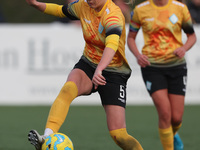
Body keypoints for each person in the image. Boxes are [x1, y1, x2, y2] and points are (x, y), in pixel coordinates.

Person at [26, 0, 143, 150]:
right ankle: (47, 137)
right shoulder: (83, 5)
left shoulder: (113, 14)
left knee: (119, 135)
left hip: (114, 73)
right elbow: (59, 10)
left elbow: (112, 45)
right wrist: (36, 4)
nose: (90, 0)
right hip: (88, 64)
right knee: (68, 89)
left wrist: (100, 69)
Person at [127, 0, 196, 150]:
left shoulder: (180, 9)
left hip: (177, 67)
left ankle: (173, 134)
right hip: (152, 68)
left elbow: (192, 36)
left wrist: (184, 48)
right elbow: (130, 38)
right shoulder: (140, 10)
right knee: (165, 113)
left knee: (176, 118)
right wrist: (138, 55)